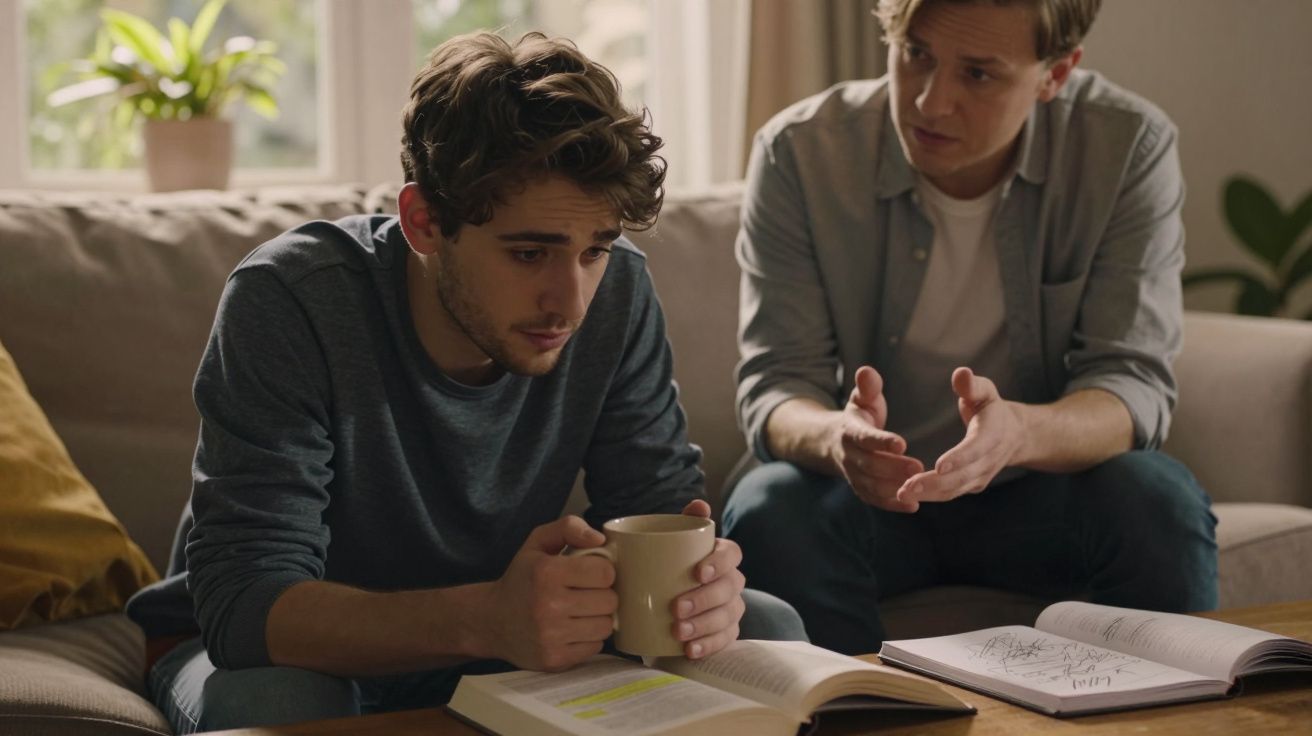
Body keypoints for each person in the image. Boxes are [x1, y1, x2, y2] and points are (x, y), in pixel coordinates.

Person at [126, 31, 804, 733]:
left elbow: (657, 509)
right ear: (424, 221)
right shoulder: (292, 299)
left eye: (594, 250)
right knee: (273, 705)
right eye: (529, 252)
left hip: (499, 644)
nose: (568, 301)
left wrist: (702, 589)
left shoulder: (616, 292)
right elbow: (247, 607)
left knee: (766, 625)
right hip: (287, 653)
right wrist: (487, 620)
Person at [722, 0, 1218, 656]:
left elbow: (1130, 387)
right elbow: (777, 386)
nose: (930, 102)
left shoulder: (1125, 146)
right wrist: (838, 436)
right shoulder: (800, 152)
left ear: (1056, 73)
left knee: (1156, 500)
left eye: (978, 75)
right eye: (915, 54)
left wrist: (1018, 433)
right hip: (870, 503)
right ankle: (852, 715)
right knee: (771, 506)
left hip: (1043, 495)